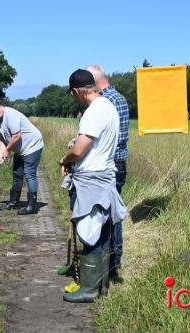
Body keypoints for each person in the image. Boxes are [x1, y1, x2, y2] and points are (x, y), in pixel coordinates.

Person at [60, 69, 127, 303]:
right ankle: (102, 286)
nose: (74, 97)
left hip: (92, 180)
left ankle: (89, 289)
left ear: (78, 90)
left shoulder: (94, 111)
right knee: (104, 233)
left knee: (91, 234)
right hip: (105, 177)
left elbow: (79, 149)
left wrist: (65, 159)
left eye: (73, 93)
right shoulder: (109, 106)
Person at [86, 64, 129, 284]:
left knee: (107, 217)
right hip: (117, 163)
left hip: (111, 164)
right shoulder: (117, 98)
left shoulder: (106, 102)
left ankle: (109, 266)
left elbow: (109, 139)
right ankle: (111, 264)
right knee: (111, 215)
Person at [0, 95, 44, 215]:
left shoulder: (10, 114)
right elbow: (1, 139)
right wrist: (1, 155)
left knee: (29, 174)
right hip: (19, 149)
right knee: (17, 174)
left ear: (0, 105)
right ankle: (13, 201)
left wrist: (7, 151)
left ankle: (32, 206)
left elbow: (17, 135)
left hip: (32, 145)